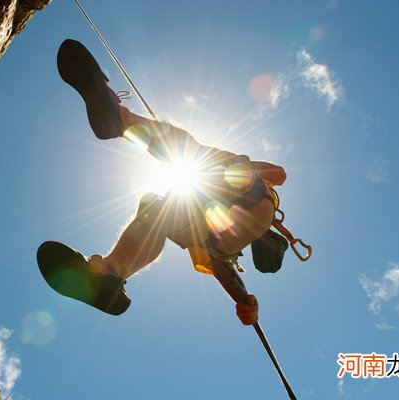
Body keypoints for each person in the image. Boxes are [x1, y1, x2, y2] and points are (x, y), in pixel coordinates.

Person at [37, 39, 287, 324]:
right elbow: (220, 265)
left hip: (247, 202)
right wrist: (244, 303)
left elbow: (279, 173)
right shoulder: (221, 247)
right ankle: (108, 277)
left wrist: (234, 162)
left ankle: (120, 119)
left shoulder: (255, 198)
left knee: (202, 158)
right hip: (212, 230)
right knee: (157, 208)